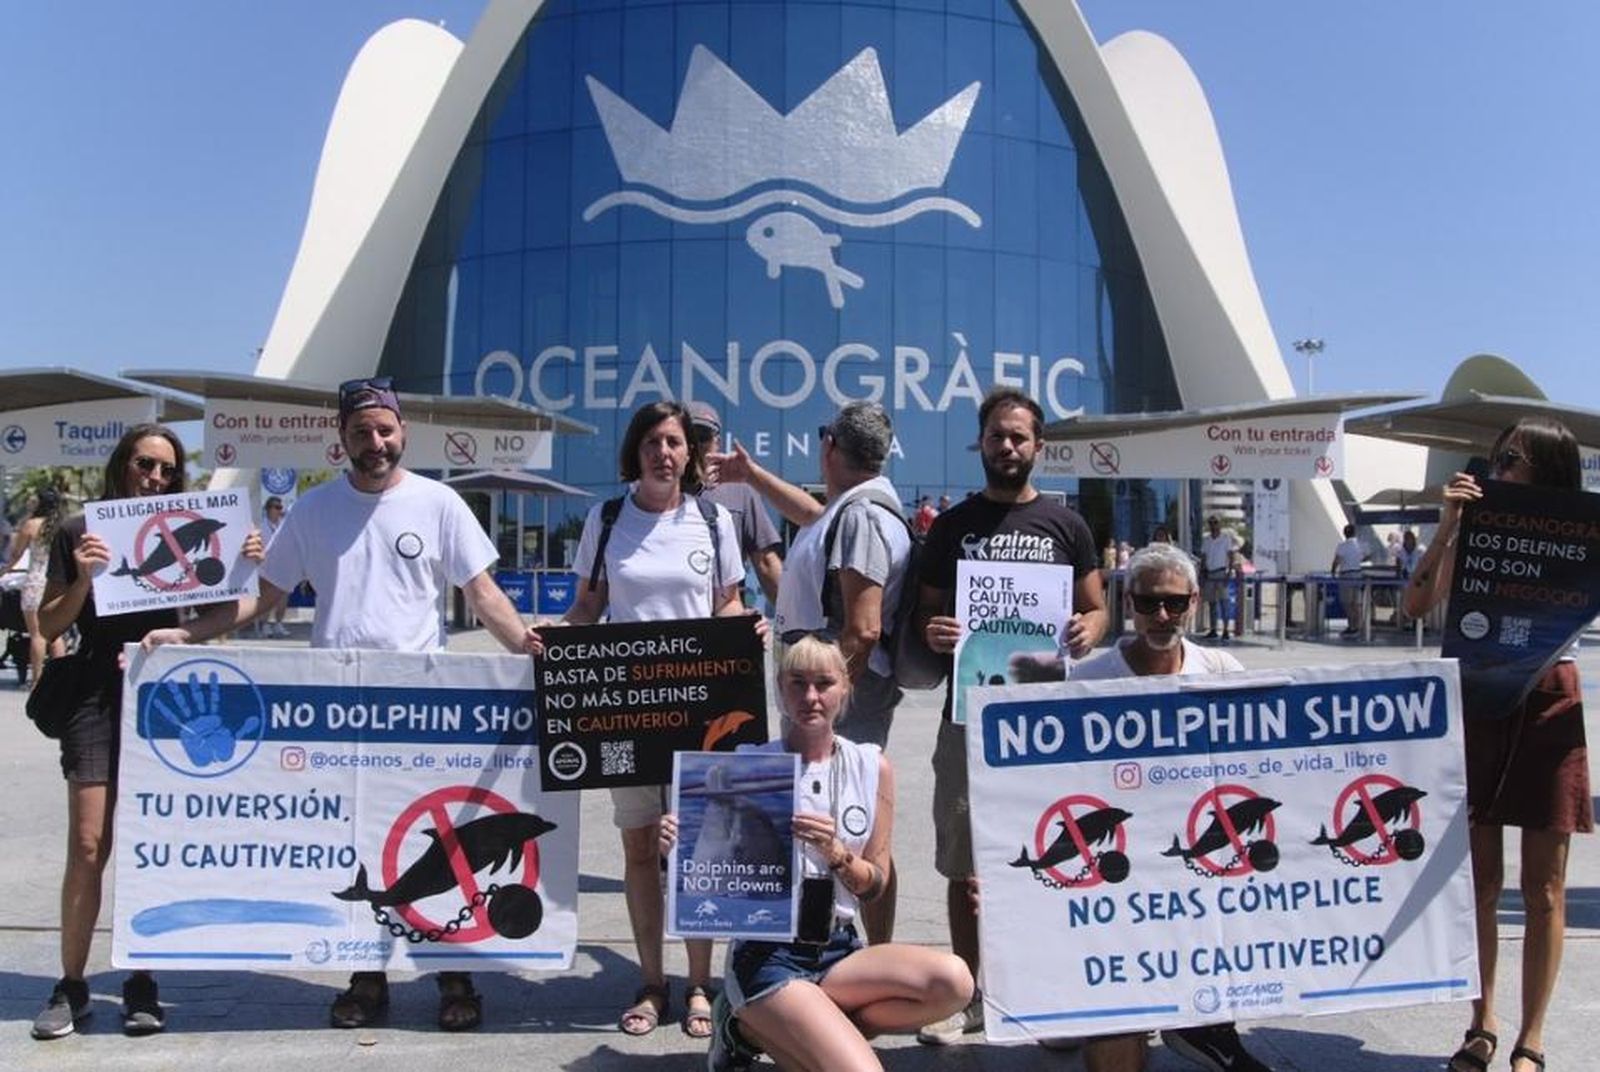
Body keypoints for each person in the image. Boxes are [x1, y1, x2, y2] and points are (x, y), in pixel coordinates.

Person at [141, 378, 541, 1032]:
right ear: (342, 439)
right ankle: (366, 978)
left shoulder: (438, 503)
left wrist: (530, 645)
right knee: (357, 846)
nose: (375, 442)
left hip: (422, 711)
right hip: (341, 712)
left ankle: (454, 973)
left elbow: (483, 592)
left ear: (402, 432)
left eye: (385, 430)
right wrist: (190, 633)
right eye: (361, 432)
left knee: (441, 844)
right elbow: (265, 597)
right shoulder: (313, 510)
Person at [664, 635, 972, 1072]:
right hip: (767, 953)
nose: (811, 696)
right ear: (780, 688)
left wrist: (837, 854)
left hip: (838, 946)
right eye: (797, 683)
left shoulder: (872, 766)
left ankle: (759, 1031)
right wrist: (676, 845)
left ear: (845, 688)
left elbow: (876, 884)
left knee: (954, 982)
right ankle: (752, 1021)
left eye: (824, 683)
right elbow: (704, 874)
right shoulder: (747, 765)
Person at [913, 387, 1107, 1046]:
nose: (1008, 447)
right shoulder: (950, 527)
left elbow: (1098, 609)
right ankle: (971, 997)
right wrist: (936, 632)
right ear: (982, 443)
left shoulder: (1066, 525)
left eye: (1019, 437)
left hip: (1043, 729)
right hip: (967, 718)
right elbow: (925, 615)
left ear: (1038, 446)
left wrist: (1088, 630)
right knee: (966, 870)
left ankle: (1044, 999)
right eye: (998, 435)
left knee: (1049, 862)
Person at [548, 400, 747, 1039]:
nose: (665, 453)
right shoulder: (607, 520)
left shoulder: (713, 519)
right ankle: (652, 981)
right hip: (626, 711)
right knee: (639, 848)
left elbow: (729, 602)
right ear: (635, 453)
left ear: (691, 454)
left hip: (701, 712)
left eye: (675, 442)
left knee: (696, 850)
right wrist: (554, 637)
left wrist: (745, 632)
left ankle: (698, 985)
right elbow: (587, 608)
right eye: (653, 443)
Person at [1402, 418, 1593, 1072]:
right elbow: (1415, 605)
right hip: (1480, 698)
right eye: (1497, 457)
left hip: (1548, 699)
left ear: (1549, 471)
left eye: (1512, 460)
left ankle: (1532, 1038)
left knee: (1545, 888)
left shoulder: (1578, 533)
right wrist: (1449, 524)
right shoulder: (1475, 527)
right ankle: (1481, 1020)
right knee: (1481, 880)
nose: (1498, 469)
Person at [707, 401, 910, 944]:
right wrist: (752, 477)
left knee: (861, 836)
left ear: (830, 448)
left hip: (847, 701)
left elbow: (863, 630)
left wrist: (820, 701)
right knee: (830, 828)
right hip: (835, 695)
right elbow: (812, 517)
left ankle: (874, 956)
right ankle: (819, 940)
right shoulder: (854, 509)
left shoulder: (862, 518)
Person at [1068, 543, 1272, 1072]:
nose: (1161, 616)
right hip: (1121, 878)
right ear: (1128, 602)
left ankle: (1206, 1022)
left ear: (1196, 602)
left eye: (1175, 603)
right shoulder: (1089, 680)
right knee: (1118, 1036)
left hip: (1202, 871)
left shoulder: (1222, 668)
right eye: (1148, 602)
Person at [31, 426, 205, 1038]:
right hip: (93, 698)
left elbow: (222, 615)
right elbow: (48, 621)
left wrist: (245, 562)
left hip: (162, 699)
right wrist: (81, 579)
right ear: (120, 465)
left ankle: (140, 979)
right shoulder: (80, 531)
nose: (154, 478)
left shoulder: (191, 530)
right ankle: (71, 984)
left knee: (145, 844)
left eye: (166, 470)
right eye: (144, 464)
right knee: (88, 845)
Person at [687, 402, 784, 607]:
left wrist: (795, 622)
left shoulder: (739, 491)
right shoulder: (656, 493)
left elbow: (766, 563)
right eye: (688, 437)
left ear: (717, 443)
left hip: (724, 616)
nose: (695, 445)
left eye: (703, 437)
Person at [5, 488, 67, 689]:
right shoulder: (62, 526)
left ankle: (37, 680)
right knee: (56, 635)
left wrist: (4, 571)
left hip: (35, 581)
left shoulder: (31, 525)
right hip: (56, 582)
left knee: (37, 634)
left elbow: (15, 555)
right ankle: (61, 680)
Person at [254, 496, 290, 637]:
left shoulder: (284, 526)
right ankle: (265, 625)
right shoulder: (261, 527)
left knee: (282, 598)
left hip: (283, 567)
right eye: (276, 507)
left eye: (280, 507)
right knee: (266, 599)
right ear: (268, 509)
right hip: (266, 568)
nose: (279, 510)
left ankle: (278, 624)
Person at [1198, 515, 1236, 641]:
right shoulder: (1207, 540)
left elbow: (1231, 556)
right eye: (1211, 523)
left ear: (1219, 524)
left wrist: (1229, 572)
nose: (1213, 525)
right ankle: (1213, 629)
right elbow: (1203, 557)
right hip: (1210, 573)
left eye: (1215, 523)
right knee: (1212, 603)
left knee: (1224, 603)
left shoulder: (1225, 539)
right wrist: (1202, 573)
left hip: (1221, 572)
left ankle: (1225, 630)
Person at [1330, 523, 1367, 637]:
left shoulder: (1342, 546)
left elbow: (1337, 560)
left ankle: (1352, 626)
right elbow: (1365, 556)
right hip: (1358, 574)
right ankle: (1359, 626)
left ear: (1344, 533)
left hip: (1346, 575)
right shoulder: (1360, 545)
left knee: (1347, 603)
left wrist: (1333, 571)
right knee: (1356, 603)